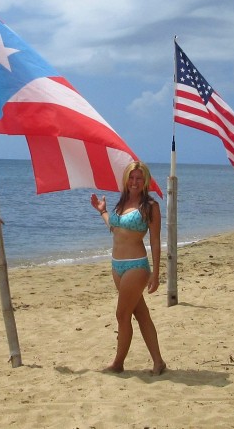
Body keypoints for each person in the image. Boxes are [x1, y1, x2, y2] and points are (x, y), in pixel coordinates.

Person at [90, 160, 166, 375]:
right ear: (126, 179)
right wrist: (103, 212)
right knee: (141, 314)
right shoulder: (120, 203)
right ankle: (158, 362)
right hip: (117, 266)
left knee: (122, 315)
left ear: (145, 181)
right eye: (131, 178)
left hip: (136, 266)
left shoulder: (150, 206)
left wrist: (156, 273)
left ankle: (118, 364)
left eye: (139, 178)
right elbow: (115, 228)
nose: (134, 182)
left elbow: (155, 240)